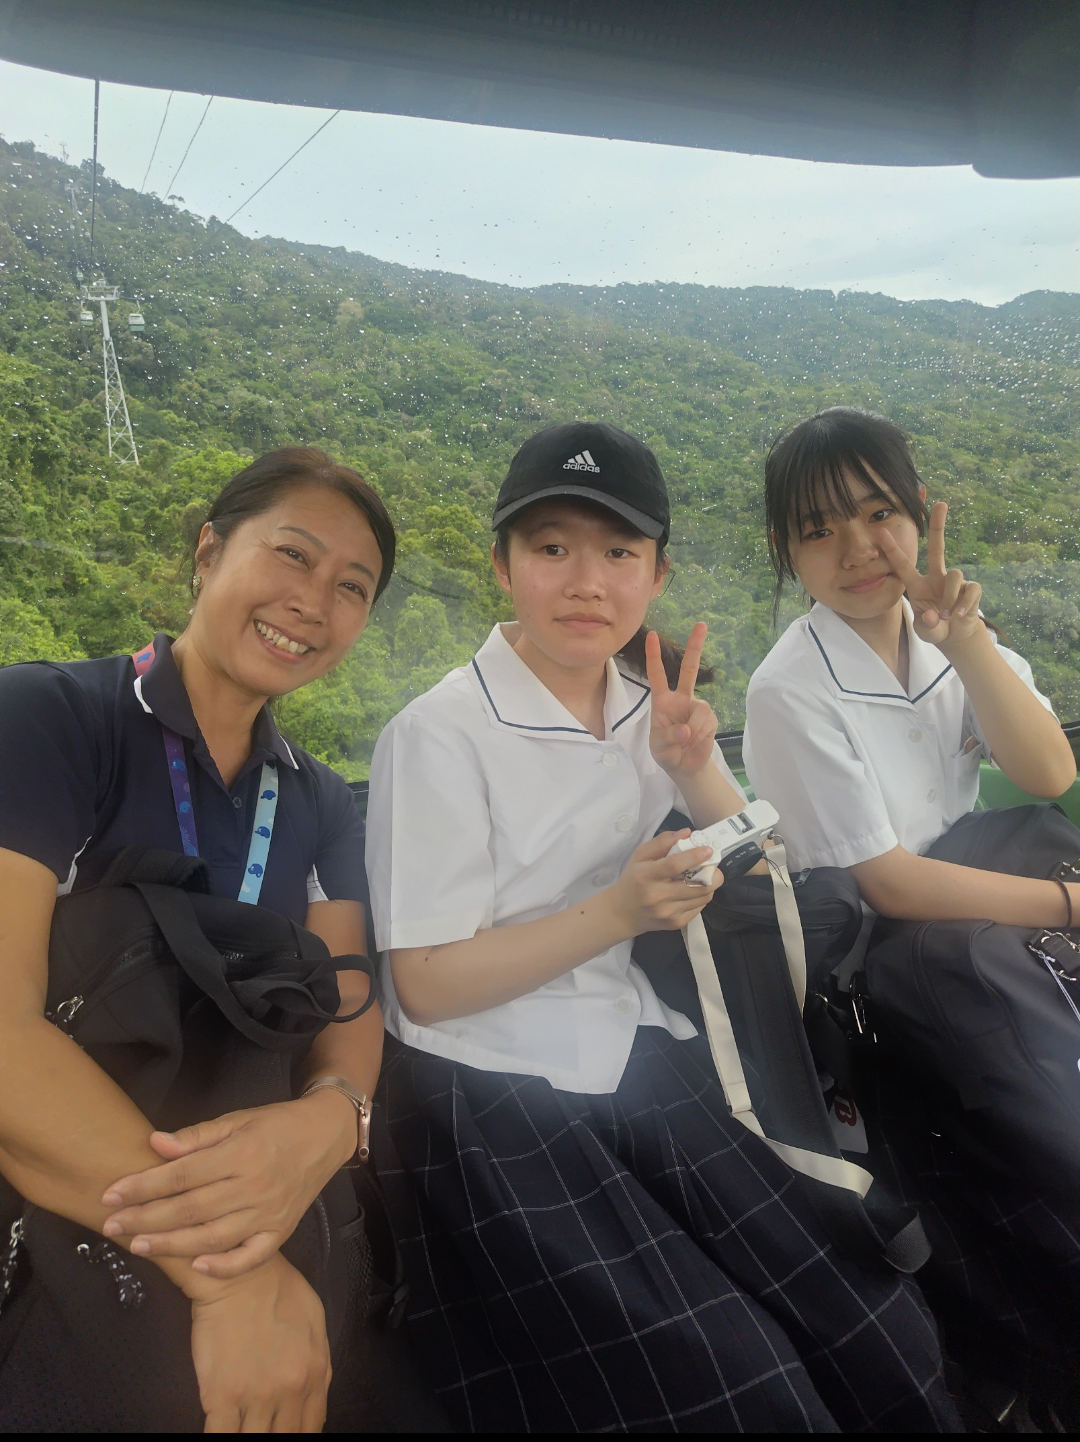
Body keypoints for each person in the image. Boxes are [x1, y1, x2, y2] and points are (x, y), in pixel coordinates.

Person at [366, 420, 957, 1433]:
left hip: (638, 1047)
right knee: (743, 1387)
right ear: (502, 563)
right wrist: (616, 912)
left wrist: (697, 771)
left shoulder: (650, 702)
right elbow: (424, 983)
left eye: (619, 553)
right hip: (492, 1085)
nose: (585, 581)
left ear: (657, 574)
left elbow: (754, 866)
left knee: (879, 1329)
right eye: (552, 547)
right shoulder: (437, 733)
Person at [0, 447, 394, 1432]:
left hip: (262, 1174)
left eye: (353, 586)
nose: (315, 602)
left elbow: (348, 992)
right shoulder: (52, 719)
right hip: (65, 1185)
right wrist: (230, 1277)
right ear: (208, 550)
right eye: (292, 555)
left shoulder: (318, 799)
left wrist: (333, 1118)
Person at [743, 405, 1077, 924]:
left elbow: (1050, 774)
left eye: (879, 515)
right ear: (784, 547)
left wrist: (968, 646)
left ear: (917, 506)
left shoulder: (954, 634)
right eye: (819, 531)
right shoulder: (786, 692)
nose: (858, 552)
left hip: (980, 916)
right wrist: (1071, 905)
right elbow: (890, 888)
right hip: (885, 951)